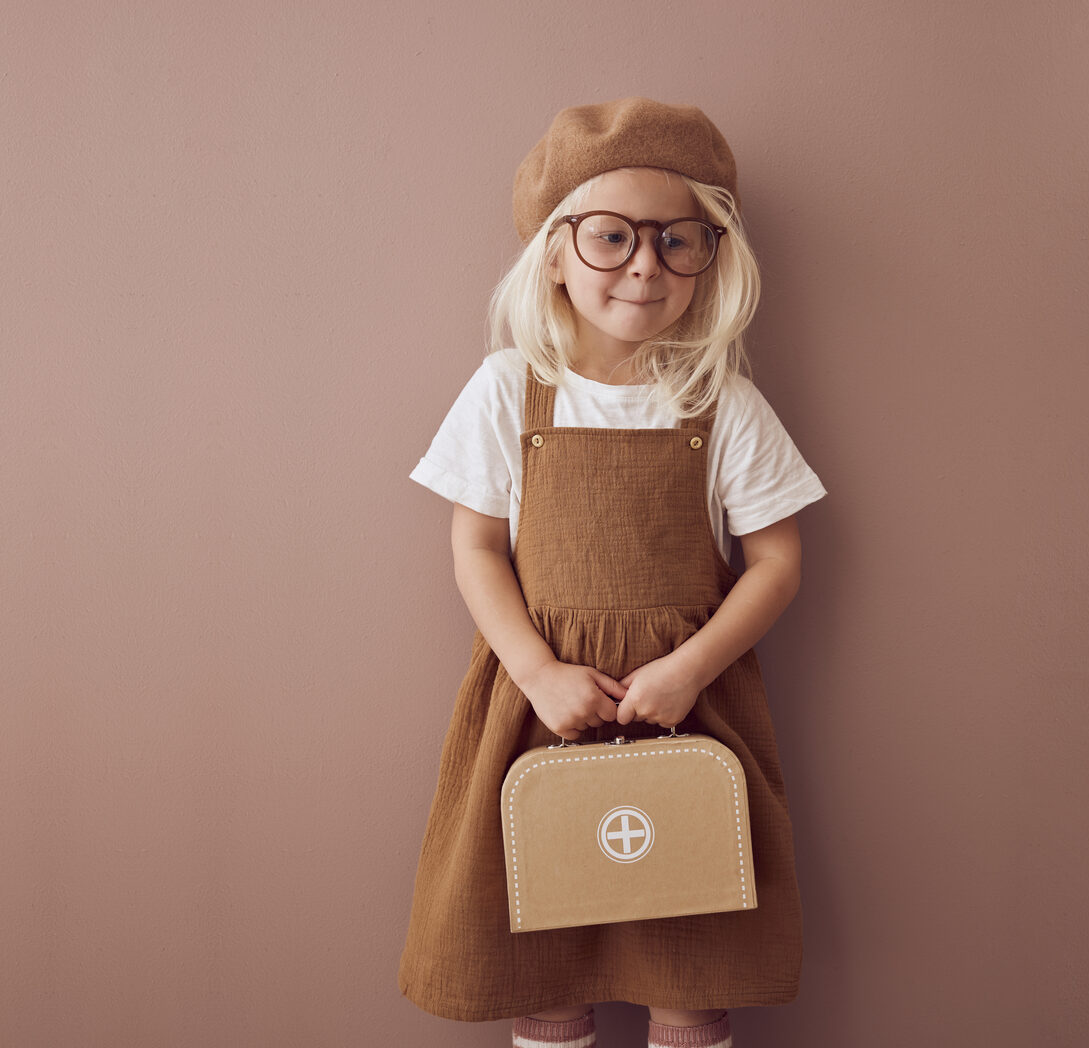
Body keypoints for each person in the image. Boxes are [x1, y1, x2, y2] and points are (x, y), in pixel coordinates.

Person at [398, 97, 827, 1048]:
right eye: (612, 237)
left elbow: (776, 563)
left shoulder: (721, 400)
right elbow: (475, 547)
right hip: (538, 710)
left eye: (680, 241)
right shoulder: (510, 389)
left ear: (713, 257)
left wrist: (688, 670)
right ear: (554, 250)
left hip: (686, 710)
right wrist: (539, 674)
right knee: (546, 975)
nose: (645, 265)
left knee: (688, 969)